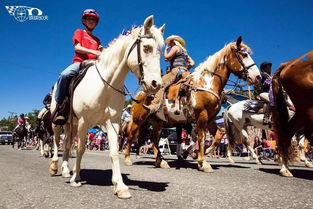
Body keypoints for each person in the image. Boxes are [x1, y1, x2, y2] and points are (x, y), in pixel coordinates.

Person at [54, 9, 102, 125]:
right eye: (89, 19)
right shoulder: (79, 32)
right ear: (84, 21)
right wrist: (94, 52)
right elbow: (77, 48)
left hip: (94, 65)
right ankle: (60, 107)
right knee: (65, 75)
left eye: (93, 20)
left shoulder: (97, 40)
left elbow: (100, 54)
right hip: (80, 63)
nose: (91, 21)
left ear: (96, 23)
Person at [146, 35, 195, 118]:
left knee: (161, 84)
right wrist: (186, 67)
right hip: (185, 71)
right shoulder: (184, 52)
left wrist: (166, 50)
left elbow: (166, 57)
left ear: (174, 42)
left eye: (170, 42)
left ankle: (154, 106)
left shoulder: (175, 47)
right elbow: (192, 63)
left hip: (176, 71)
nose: (169, 44)